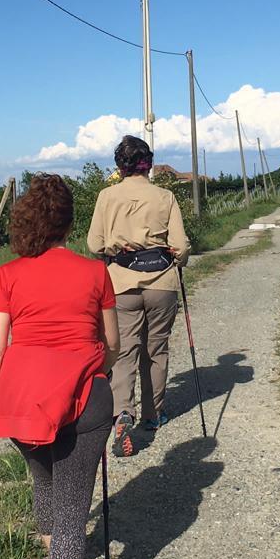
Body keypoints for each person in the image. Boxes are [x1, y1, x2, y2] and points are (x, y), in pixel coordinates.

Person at [0, 174, 119, 559]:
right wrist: (95, 367)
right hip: (86, 395)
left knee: (44, 482)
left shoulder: (8, 275)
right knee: (73, 502)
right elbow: (112, 344)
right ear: (69, 223)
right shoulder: (95, 272)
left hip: (23, 398)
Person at [87, 135, 190, 457]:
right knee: (156, 349)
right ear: (149, 164)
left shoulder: (107, 197)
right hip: (162, 283)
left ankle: (123, 413)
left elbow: (94, 244)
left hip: (121, 283)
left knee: (123, 350)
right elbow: (181, 247)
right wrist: (177, 258)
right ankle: (152, 414)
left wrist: (115, 247)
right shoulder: (165, 197)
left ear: (120, 166)